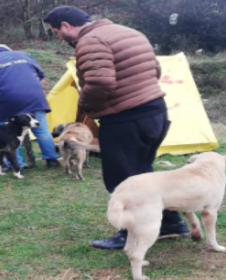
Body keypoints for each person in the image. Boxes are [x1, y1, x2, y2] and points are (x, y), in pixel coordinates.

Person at [43, 6, 189, 249]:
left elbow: (100, 82)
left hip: (125, 118)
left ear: (67, 25)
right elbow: (156, 70)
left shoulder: (90, 40)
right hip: (154, 112)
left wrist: (85, 106)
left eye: (56, 31)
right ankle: (170, 224)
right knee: (142, 172)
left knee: (123, 178)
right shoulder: (128, 32)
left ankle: (130, 232)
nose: (58, 36)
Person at [0, 43, 60, 170]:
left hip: (5, 101)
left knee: (7, 134)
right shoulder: (25, 55)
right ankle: (52, 160)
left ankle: (16, 164)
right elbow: (41, 74)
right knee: (42, 130)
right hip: (34, 98)